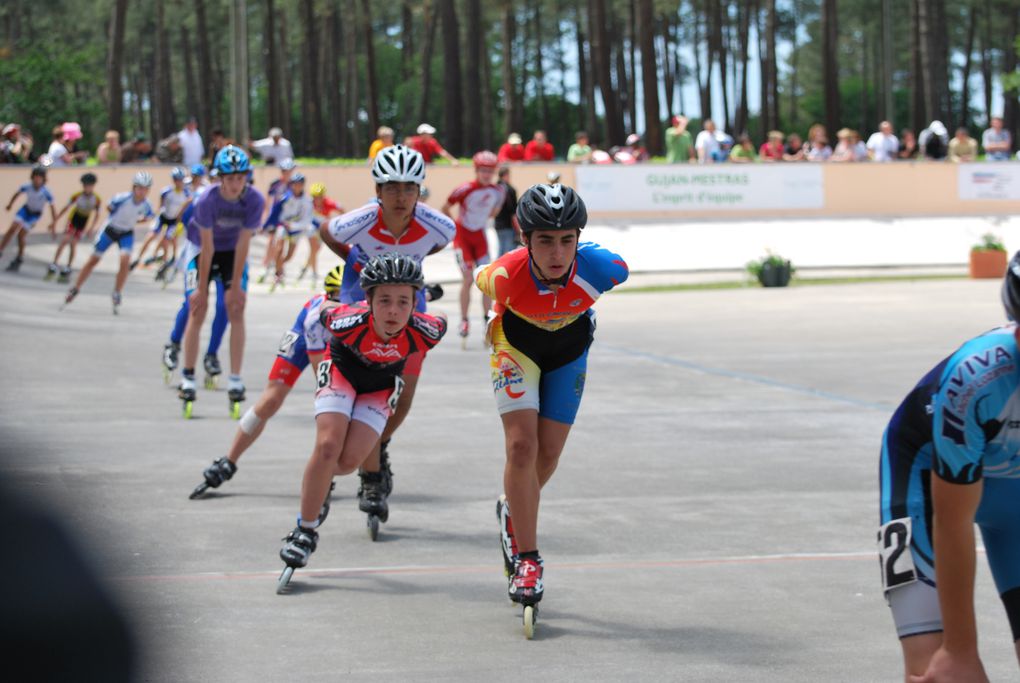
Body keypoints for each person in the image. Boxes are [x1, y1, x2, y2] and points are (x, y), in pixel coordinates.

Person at [475, 183, 628, 611]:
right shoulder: (502, 276)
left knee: (547, 456)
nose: (557, 253)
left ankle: (512, 510)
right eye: (545, 241)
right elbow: (479, 281)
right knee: (522, 447)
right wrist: (491, 318)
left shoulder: (607, 268)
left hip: (569, 351)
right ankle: (527, 557)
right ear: (524, 239)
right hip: (517, 346)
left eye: (567, 240)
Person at [880, 254, 1020, 682]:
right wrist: (959, 648)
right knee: (940, 672)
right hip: (925, 481)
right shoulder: (976, 378)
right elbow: (952, 520)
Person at [278, 253, 447, 570]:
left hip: (379, 385)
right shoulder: (345, 319)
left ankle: (326, 480)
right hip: (342, 371)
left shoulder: (429, 329)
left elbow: (440, 316)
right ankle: (304, 530)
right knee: (328, 446)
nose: (393, 311)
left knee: (345, 462)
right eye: (383, 300)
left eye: (403, 302)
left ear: (415, 304)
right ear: (367, 300)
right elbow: (324, 308)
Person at [320, 144, 455, 518]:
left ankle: (373, 451)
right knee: (361, 384)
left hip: (409, 306)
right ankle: (367, 470)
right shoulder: (361, 220)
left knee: (405, 395)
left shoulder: (438, 225)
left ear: (419, 191)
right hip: (361, 300)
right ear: (377, 191)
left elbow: (441, 242)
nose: (401, 196)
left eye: (409, 188)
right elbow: (325, 230)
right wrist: (355, 258)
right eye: (392, 188)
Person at [190, 266, 343, 498]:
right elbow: (323, 380)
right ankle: (228, 460)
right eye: (336, 298)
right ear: (328, 295)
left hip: (338, 342)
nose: (341, 305)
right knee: (271, 400)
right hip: (304, 339)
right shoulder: (316, 318)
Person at [177, 145, 265, 412]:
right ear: (220, 178)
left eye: (241, 178)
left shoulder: (255, 200)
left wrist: (235, 286)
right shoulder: (206, 200)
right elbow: (207, 247)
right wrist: (201, 288)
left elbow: (243, 245)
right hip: (202, 250)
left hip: (231, 252)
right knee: (198, 308)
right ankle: (188, 375)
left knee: (236, 308)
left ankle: (235, 378)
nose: (236, 184)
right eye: (230, 179)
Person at [160, 170, 230, 387]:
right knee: (195, 304)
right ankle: (173, 343)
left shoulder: (243, 200)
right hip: (198, 253)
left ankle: (211, 354)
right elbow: (185, 218)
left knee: (224, 304)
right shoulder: (202, 196)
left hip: (223, 255)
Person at [63, 172, 155, 314]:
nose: (143, 192)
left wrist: (137, 220)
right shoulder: (122, 198)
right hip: (110, 230)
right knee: (94, 259)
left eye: (146, 189)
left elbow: (149, 216)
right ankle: (75, 287)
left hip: (126, 233)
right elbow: (109, 207)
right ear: (134, 187)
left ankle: (117, 291)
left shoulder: (147, 204)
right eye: (140, 188)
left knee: (125, 260)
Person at [441, 150, 506, 344]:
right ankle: (464, 319)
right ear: (476, 171)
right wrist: (454, 227)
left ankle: (487, 317)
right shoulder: (464, 189)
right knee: (468, 279)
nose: (486, 175)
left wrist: (482, 218)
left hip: (480, 237)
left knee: (485, 281)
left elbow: (495, 211)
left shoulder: (499, 191)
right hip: (462, 236)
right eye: (483, 171)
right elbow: (445, 207)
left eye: (490, 171)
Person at [130, 167, 193, 271]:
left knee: (167, 239)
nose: (178, 182)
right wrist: (153, 215)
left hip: (174, 220)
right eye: (176, 179)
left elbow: (186, 208)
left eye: (180, 180)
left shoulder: (187, 193)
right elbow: (160, 206)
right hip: (163, 217)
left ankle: (166, 261)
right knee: (151, 236)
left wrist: (180, 220)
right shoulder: (166, 191)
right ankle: (138, 258)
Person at [46, 173, 102, 283]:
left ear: (93, 186)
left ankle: (68, 266)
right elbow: (65, 208)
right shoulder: (76, 195)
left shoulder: (97, 199)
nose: (87, 187)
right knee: (65, 240)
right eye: (85, 185)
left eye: (90, 185)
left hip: (83, 222)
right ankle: (54, 263)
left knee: (73, 244)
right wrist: (54, 221)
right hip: (73, 219)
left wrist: (91, 228)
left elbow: (97, 215)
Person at [262, 172, 314, 289]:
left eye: (299, 184)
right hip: (283, 226)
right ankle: (278, 273)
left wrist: (294, 226)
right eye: (294, 184)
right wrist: (266, 226)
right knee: (279, 248)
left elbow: (307, 220)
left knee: (289, 256)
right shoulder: (285, 198)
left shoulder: (307, 201)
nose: (296, 187)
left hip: (296, 230)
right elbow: (275, 212)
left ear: (302, 185)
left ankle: (279, 267)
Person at [1, 165, 57, 271]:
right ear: (32, 177)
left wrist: (53, 223)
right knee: (12, 228)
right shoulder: (27, 186)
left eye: (39, 177)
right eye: (35, 177)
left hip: (34, 215)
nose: (37, 180)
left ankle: (19, 257)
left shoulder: (46, 192)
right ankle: (1, 249)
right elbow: (17, 194)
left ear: (43, 179)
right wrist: (10, 205)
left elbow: (52, 208)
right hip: (25, 210)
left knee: (21, 235)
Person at [300, 182, 343, 287]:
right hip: (311, 229)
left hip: (322, 230)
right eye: (315, 197)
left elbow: (341, 209)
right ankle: (314, 274)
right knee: (313, 249)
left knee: (315, 251)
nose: (317, 200)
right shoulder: (309, 203)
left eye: (319, 197)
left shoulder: (328, 203)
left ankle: (305, 267)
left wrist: (338, 222)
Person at [494, 166, 519, 257]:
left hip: (497, 224)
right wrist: (518, 228)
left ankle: (496, 269)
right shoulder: (510, 190)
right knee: (509, 252)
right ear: (506, 175)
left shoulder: (494, 188)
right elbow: (513, 212)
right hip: (508, 225)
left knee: (501, 249)